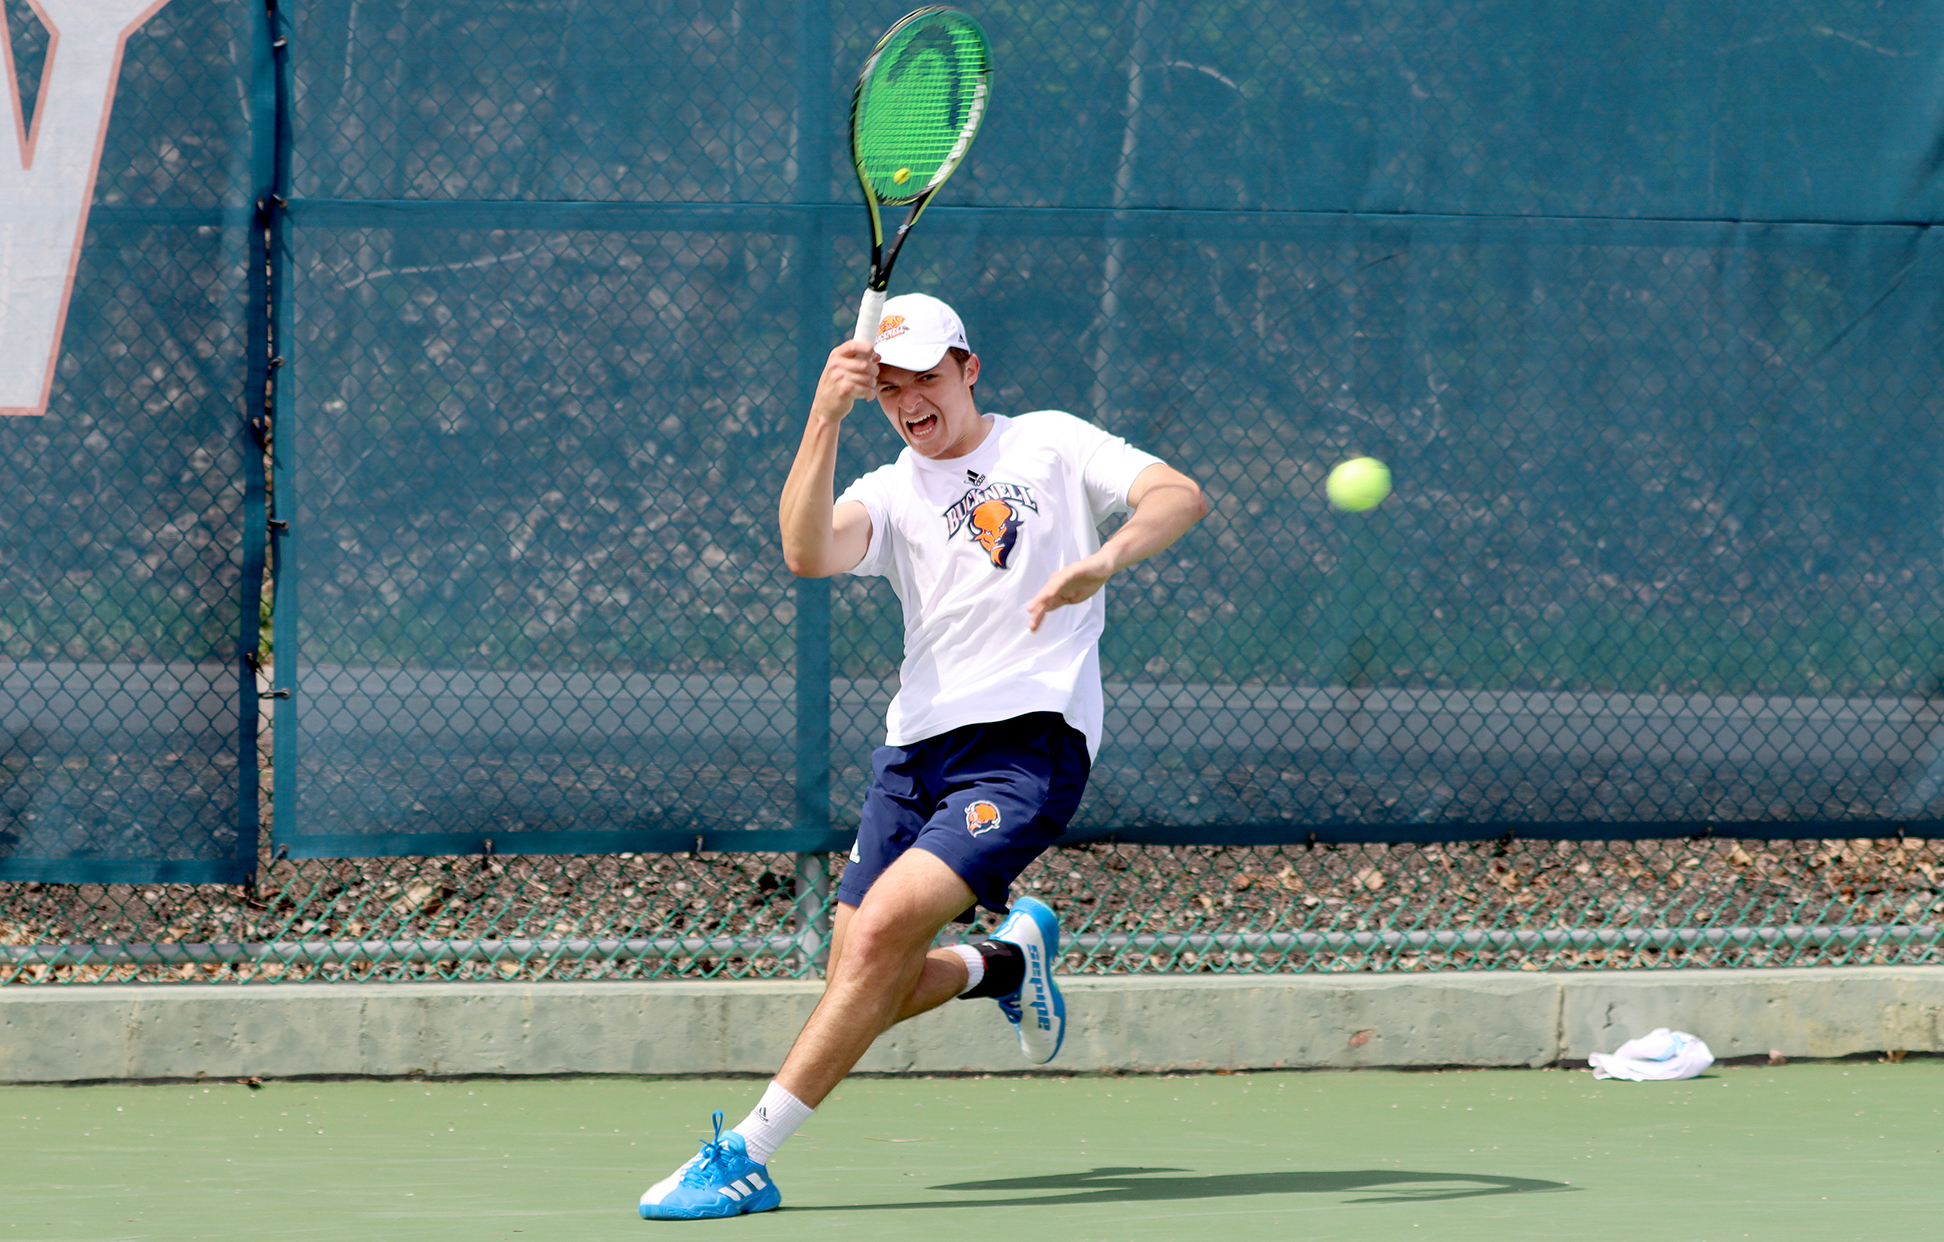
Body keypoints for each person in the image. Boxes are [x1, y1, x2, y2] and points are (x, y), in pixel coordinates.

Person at [638, 293, 1207, 1220]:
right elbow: (807, 549)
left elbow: (1176, 494)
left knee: (870, 946)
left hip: (1027, 745)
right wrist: (825, 416)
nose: (910, 402)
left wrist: (1109, 558)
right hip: (914, 752)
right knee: (862, 980)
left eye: (927, 379)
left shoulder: (1051, 444)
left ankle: (743, 1155)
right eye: (890, 389)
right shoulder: (889, 490)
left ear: (968, 367)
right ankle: (1005, 965)